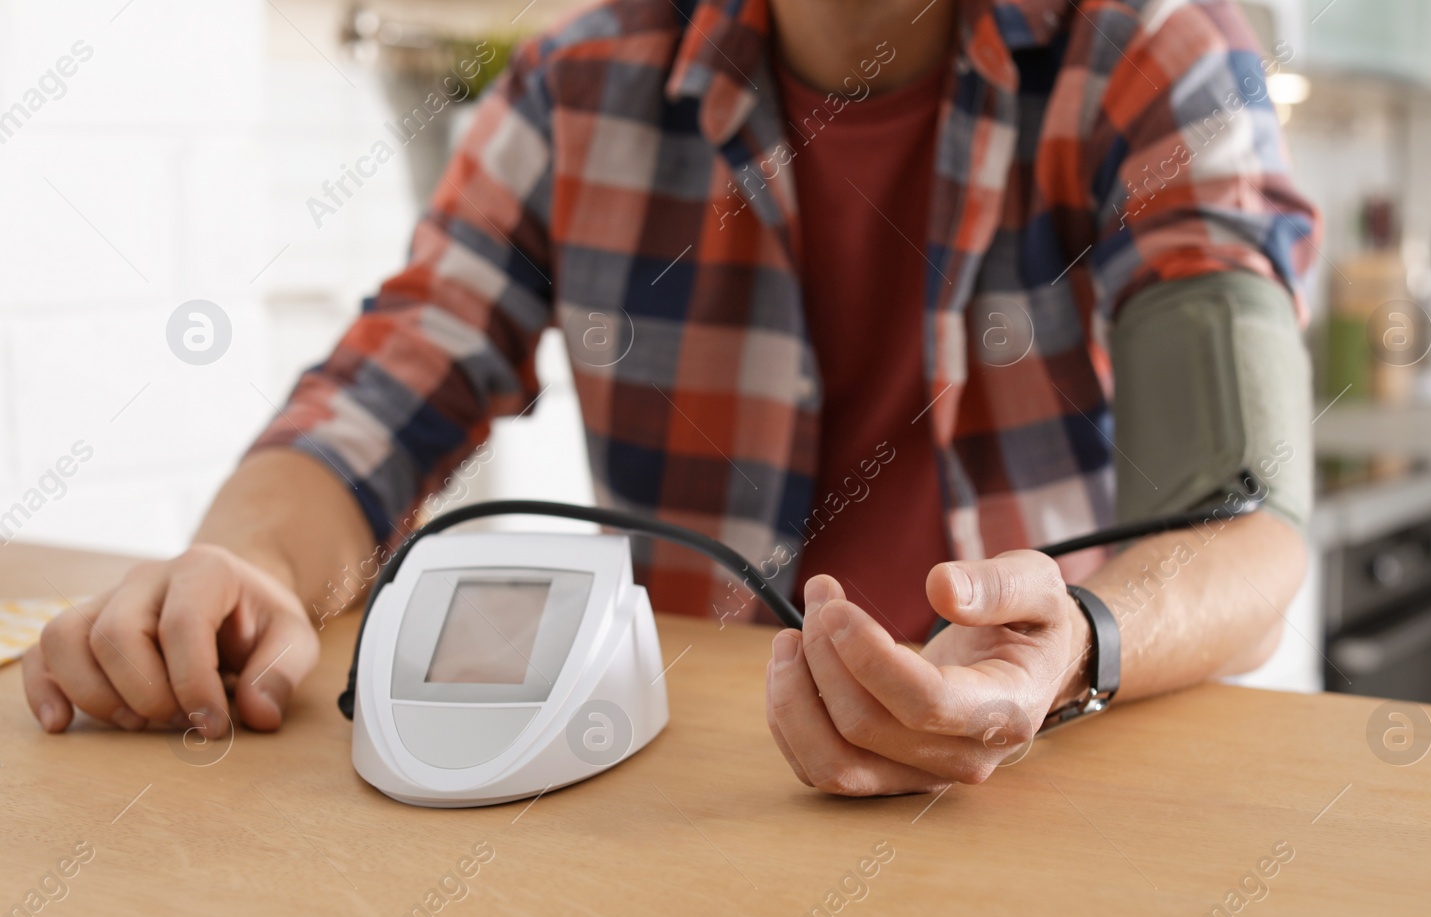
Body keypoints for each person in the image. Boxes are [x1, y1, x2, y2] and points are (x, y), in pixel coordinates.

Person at [23, 0, 1319, 797]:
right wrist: (243, 564)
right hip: (692, 784)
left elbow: (1245, 527)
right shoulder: (574, 87)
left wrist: (1079, 639)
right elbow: (385, 389)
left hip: (1058, 774)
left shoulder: (1153, 54)